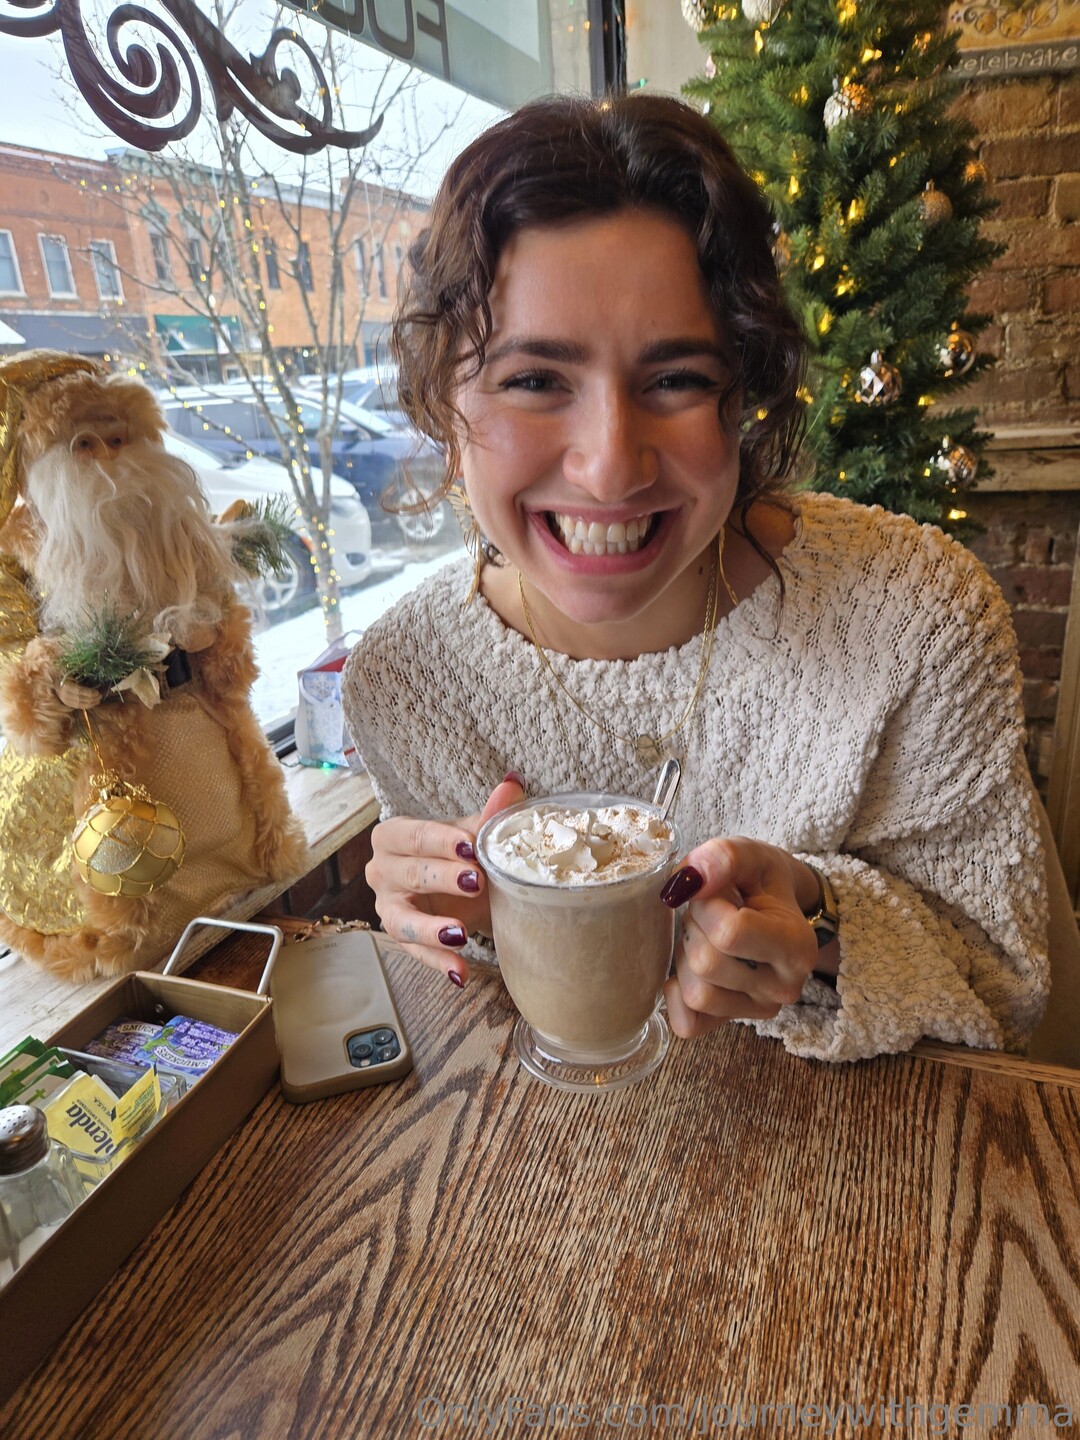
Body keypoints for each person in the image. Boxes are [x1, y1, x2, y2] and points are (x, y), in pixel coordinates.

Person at [342, 94, 1048, 1063]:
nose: (609, 468)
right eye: (536, 380)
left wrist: (823, 926)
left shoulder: (917, 618)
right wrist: (436, 914)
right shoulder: (405, 679)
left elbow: (1004, 985)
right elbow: (487, 999)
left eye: (675, 379)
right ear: (441, 405)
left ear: (743, 394)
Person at [0, 352, 308, 979]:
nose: (109, 459)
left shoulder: (177, 531)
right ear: (45, 462)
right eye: (85, 445)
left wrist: (214, 634)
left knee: (233, 832)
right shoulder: (25, 552)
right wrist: (53, 676)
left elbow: (235, 663)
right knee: (132, 878)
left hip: (203, 739)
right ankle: (133, 932)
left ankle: (241, 870)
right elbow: (19, 687)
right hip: (110, 772)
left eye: (119, 439)